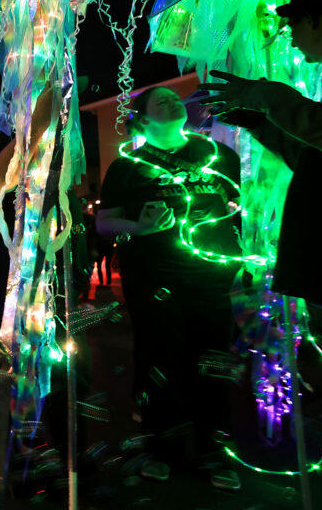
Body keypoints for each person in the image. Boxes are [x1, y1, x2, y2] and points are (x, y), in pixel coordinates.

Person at [204, 0, 322, 458]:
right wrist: (258, 118)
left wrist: (273, 100)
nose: (289, 35)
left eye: (293, 24)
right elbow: (319, 158)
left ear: (316, 19)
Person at [97, 86, 241, 489]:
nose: (174, 102)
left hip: (212, 277)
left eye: (175, 99)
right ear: (141, 119)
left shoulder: (218, 156)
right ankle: (161, 449)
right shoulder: (127, 167)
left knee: (212, 361)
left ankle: (215, 451)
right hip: (155, 278)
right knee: (159, 363)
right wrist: (140, 227)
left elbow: (237, 209)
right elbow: (105, 223)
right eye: (161, 101)